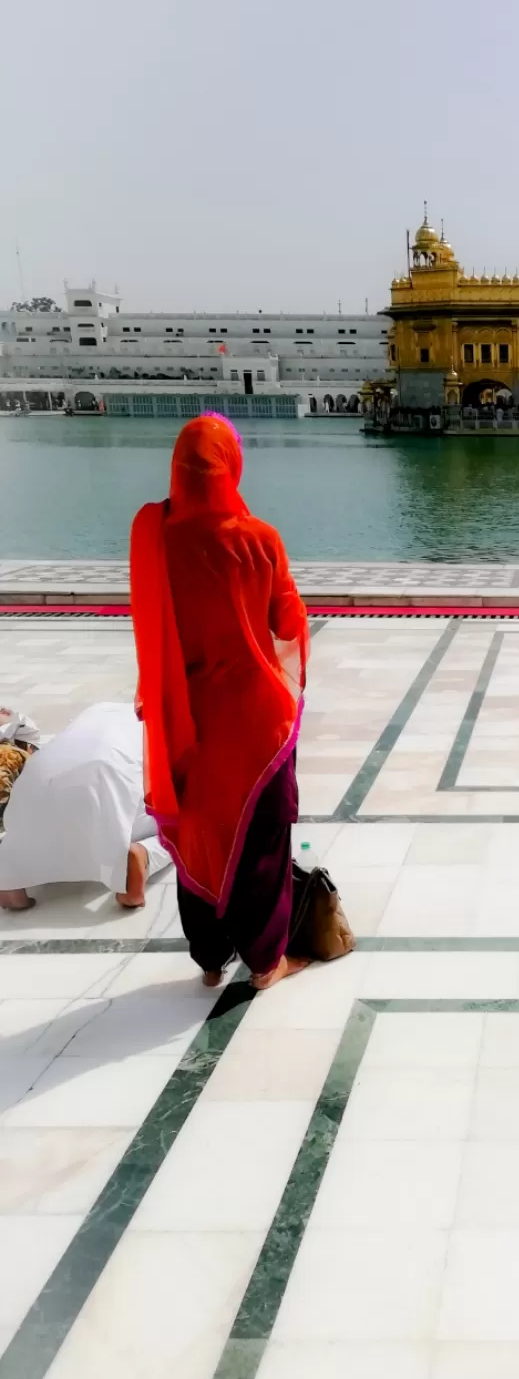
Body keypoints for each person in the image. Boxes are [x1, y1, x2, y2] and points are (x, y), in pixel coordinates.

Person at [129, 414, 311, 991]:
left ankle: (209, 959)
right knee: (260, 839)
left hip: (187, 716)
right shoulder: (260, 538)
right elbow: (287, 622)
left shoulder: (157, 537)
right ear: (231, 465)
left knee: (198, 829)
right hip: (257, 717)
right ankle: (265, 963)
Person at [0, 702, 171, 911]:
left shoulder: (96, 711)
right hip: (105, 788)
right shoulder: (157, 722)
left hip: (35, 786)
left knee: (26, 828)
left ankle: (11, 880)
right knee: (186, 823)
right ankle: (145, 855)